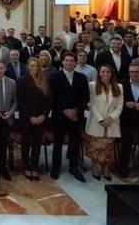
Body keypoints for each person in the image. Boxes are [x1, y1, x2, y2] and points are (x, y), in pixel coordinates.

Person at [49, 52, 89, 182]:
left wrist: (76, 111)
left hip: (76, 117)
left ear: (75, 63)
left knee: (74, 143)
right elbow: (52, 97)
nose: (69, 63)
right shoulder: (54, 77)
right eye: (66, 60)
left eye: (72, 61)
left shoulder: (81, 77)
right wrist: (65, 111)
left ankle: (74, 167)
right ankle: (56, 167)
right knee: (58, 143)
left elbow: (85, 97)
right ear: (62, 62)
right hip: (59, 116)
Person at [85, 65, 123, 181]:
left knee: (108, 147)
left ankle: (106, 168)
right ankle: (95, 166)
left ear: (111, 74)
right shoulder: (92, 85)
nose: (105, 74)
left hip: (112, 123)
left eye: (108, 72)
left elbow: (120, 105)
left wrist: (111, 118)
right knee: (95, 146)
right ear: (99, 73)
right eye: (103, 72)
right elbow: (92, 104)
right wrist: (101, 119)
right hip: (97, 122)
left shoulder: (119, 87)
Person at [17, 57, 51, 181]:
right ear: (28, 66)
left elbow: (48, 100)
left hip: (41, 118)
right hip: (27, 118)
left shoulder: (44, 80)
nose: (34, 68)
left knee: (37, 144)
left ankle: (35, 167)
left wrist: (43, 115)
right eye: (32, 65)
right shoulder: (22, 80)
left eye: (36, 66)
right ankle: (26, 167)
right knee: (26, 143)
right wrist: (31, 116)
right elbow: (21, 101)